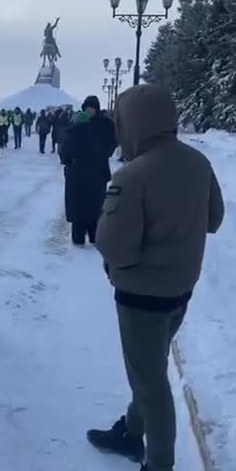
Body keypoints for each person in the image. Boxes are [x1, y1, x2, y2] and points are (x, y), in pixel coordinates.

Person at [88, 84, 225, 471]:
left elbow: (116, 247)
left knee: (150, 383)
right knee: (150, 367)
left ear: (131, 124)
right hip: (181, 288)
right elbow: (213, 220)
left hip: (140, 294)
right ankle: (132, 430)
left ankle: (159, 463)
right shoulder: (199, 163)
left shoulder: (132, 176)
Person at [60, 96, 116, 246]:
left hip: (97, 172)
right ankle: (78, 239)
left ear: (97, 109)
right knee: (78, 207)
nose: (89, 110)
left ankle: (95, 237)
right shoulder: (75, 123)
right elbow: (64, 145)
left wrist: (102, 153)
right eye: (87, 107)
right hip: (77, 173)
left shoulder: (105, 124)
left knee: (96, 207)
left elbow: (110, 145)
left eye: (92, 107)